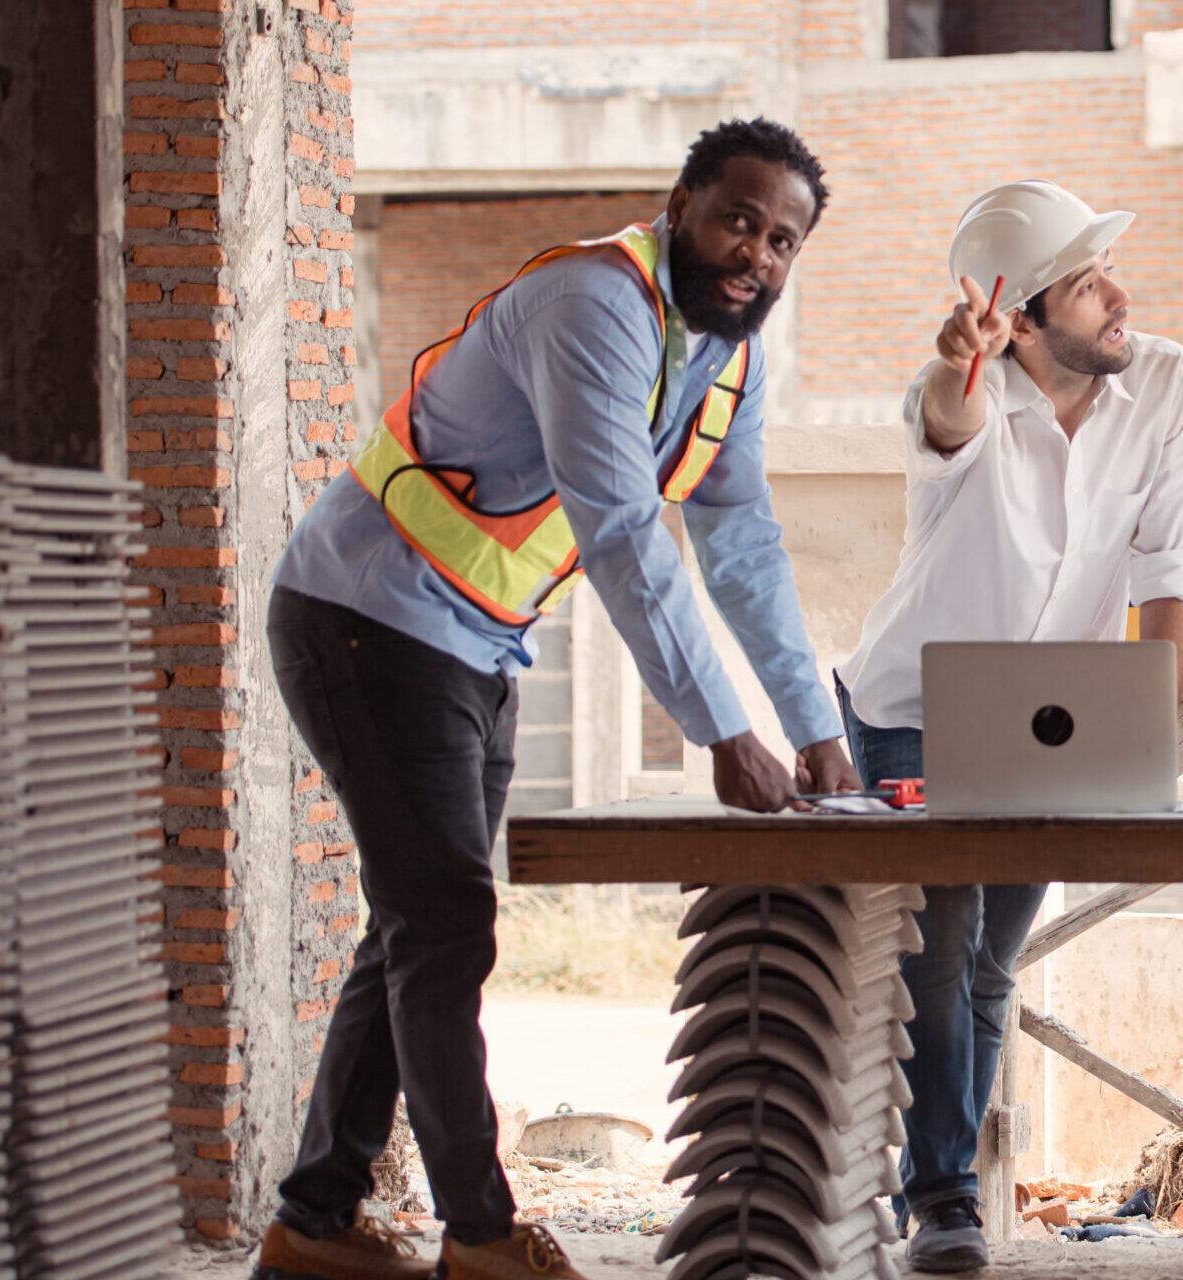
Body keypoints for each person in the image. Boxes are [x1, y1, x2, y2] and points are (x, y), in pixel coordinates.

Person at [252, 120, 857, 1280]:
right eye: (740, 219)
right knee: (444, 924)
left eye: (784, 240)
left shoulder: (729, 354)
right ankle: (478, 1235)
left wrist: (814, 725)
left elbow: (739, 542)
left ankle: (313, 1226)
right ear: (681, 203)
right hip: (362, 619)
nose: (758, 256)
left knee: (413, 924)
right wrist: (722, 729)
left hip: (473, 644)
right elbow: (624, 530)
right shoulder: (595, 305)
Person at [836, 179, 1183, 1273]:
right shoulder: (963, 391)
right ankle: (942, 1193)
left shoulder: (1168, 384)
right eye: (1088, 285)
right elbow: (941, 425)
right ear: (1027, 315)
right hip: (915, 708)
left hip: (1058, 713)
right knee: (939, 954)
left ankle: (947, 1182)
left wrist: (1148, 718)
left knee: (995, 962)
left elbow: (1170, 560)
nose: (1116, 297)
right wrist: (961, 369)